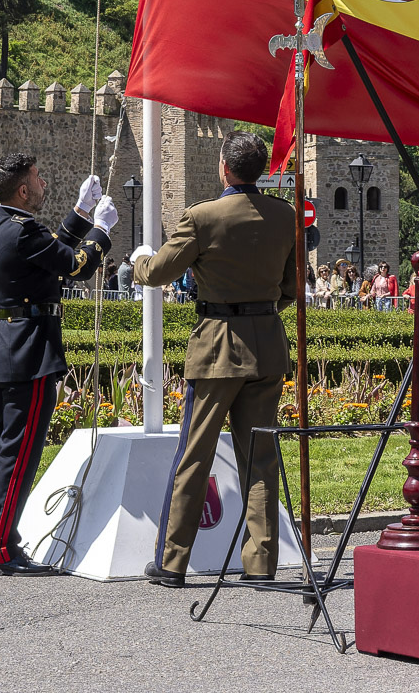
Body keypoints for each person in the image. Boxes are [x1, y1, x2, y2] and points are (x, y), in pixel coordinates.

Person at [131, 129, 298, 588]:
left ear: (223, 168)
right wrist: (259, 313)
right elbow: (292, 288)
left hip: (218, 348)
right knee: (260, 459)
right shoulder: (285, 218)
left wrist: (140, 258)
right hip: (266, 345)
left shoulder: (202, 216)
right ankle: (260, 562)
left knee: (195, 455)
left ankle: (173, 561)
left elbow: (160, 272)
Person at [0, 154, 116, 577]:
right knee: (17, 456)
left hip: (6, 346)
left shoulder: (0, 226)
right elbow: (73, 265)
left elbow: (49, 252)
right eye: (36, 178)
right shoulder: (23, 231)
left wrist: (80, 213)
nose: (43, 182)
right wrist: (102, 230)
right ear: (22, 190)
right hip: (30, 352)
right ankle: (1, 549)